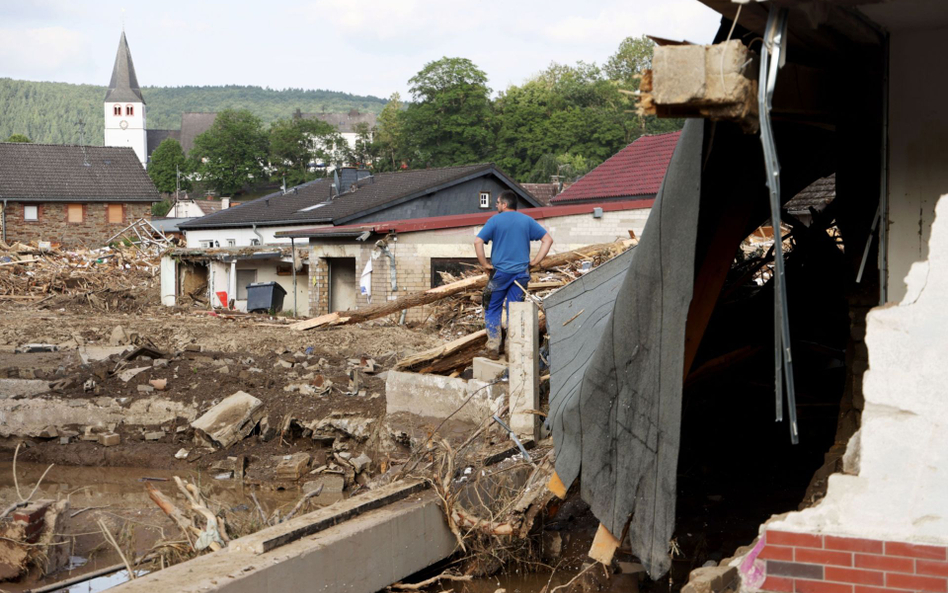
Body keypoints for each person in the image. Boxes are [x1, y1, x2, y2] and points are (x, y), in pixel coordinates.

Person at [474, 190, 553, 359]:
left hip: (500, 274)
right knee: (515, 310)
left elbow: (478, 241)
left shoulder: (494, 221)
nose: (496, 205)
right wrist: (535, 262)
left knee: (491, 307)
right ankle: (512, 351)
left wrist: (485, 264)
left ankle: (493, 348)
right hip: (521, 275)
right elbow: (548, 240)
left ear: (504, 204)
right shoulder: (527, 220)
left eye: (497, 202)